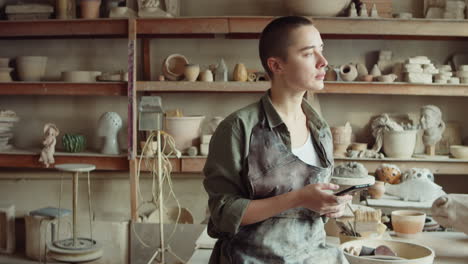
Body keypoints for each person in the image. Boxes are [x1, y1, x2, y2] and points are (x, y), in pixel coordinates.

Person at [203, 16, 352, 263]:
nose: (323, 62)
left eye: (321, 50)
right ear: (276, 65)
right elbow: (222, 214)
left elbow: (314, 209)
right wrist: (299, 197)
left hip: (314, 256)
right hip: (252, 258)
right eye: (308, 54)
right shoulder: (238, 128)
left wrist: (333, 205)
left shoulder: (320, 128)